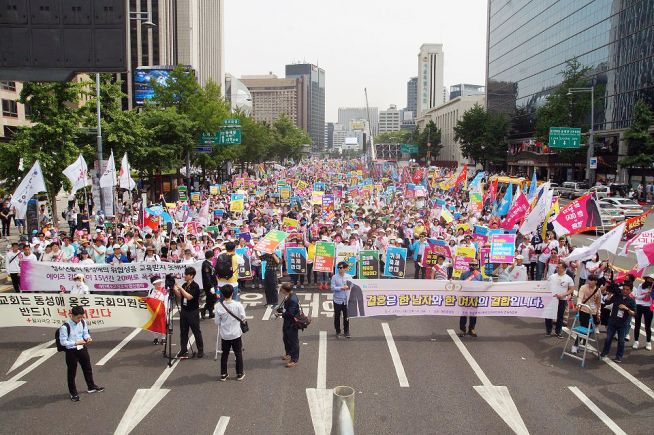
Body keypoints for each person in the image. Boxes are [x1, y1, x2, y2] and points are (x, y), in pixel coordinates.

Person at [59, 305, 104, 402]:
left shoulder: (82, 322)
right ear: (72, 315)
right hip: (71, 351)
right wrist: (75, 342)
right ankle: (73, 392)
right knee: (72, 372)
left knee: (87, 367)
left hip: (82, 347)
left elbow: (85, 333)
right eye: (78, 317)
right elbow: (63, 342)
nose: (80, 319)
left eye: (81, 317)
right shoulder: (65, 327)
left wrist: (88, 338)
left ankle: (91, 386)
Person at [214, 284, 246, 381]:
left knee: (225, 354)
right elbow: (243, 318)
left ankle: (223, 374)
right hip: (236, 333)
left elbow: (217, 322)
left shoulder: (218, 306)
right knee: (238, 353)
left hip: (225, 335)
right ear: (232, 293)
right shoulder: (238, 305)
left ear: (222, 294)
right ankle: (239, 373)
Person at [600, 282, 637, 363]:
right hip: (612, 321)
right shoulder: (617, 296)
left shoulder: (631, 301)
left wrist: (626, 309)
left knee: (621, 341)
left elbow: (634, 313)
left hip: (623, 324)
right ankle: (604, 353)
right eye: (624, 289)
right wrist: (609, 295)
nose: (625, 291)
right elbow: (607, 302)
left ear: (630, 291)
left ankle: (619, 356)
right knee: (608, 338)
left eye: (627, 290)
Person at [173, 267, 204, 359]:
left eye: (186, 274)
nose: (184, 276)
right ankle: (183, 349)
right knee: (183, 331)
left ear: (191, 276)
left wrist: (180, 289)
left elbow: (189, 297)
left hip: (192, 312)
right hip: (184, 311)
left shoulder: (195, 286)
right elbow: (181, 296)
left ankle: (200, 350)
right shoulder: (184, 285)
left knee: (196, 331)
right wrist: (175, 290)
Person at [571, 275, 602, 354]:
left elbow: (598, 303)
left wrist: (598, 313)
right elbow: (580, 297)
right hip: (584, 310)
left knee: (591, 328)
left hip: (593, 312)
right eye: (589, 280)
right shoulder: (583, 287)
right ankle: (575, 345)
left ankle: (584, 342)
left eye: (592, 280)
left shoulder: (598, 290)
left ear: (596, 282)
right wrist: (578, 304)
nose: (590, 282)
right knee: (583, 328)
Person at [545, 261, 574, 338]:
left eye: (558, 267)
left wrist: (563, 294)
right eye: (556, 267)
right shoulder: (552, 276)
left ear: (564, 268)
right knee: (548, 315)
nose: (556, 268)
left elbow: (571, 289)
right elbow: (546, 285)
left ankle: (558, 332)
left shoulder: (568, 278)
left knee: (560, 316)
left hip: (562, 300)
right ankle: (548, 330)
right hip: (551, 299)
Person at [276, 283, 300, 367]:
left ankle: (294, 359)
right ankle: (288, 353)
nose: (280, 289)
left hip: (292, 323)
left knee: (293, 341)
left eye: (281, 288)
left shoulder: (293, 299)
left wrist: (280, 314)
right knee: (285, 338)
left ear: (285, 290)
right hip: (287, 322)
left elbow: (291, 314)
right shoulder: (289, 295)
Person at [459, 261, 483, 337]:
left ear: (477, 266)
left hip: (475, 297)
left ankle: (471, 329)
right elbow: (460, 285)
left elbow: (482, 285)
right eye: (471, 264)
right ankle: (463, 330)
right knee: (464, 314)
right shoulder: (464, 274)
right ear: (469, 265)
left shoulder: (479, 275)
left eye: (474, 265)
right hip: (465, 297)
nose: (472, 266)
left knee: (473, 315)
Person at [632, 273, 653, 351]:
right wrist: (645, 295)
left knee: (648, 326)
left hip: (648, 308)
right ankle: (636, 341)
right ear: (646, 279)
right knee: (637, 324)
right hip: (639, 306)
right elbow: (637, 296)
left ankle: (648, 342)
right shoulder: (641, 285)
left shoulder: (653, 288)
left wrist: (651, 294)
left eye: (652, 280)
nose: (650, 281)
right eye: (648, 279)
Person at [331, 261, 352, 338]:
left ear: (345, 268)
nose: (340, 269)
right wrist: (342, 288)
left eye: (341, 267)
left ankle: (346, 331)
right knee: (337, 316)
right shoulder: (334, 277)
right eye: (339, 268)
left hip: (346, 300)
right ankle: (338, 331)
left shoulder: (349, 277)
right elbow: (332, 288)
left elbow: (352, 287)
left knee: (346, 316)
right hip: (337, 300)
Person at [201, 250, 217, 319]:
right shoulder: (205, 264)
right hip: (209, 285)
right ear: (210, 256)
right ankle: (204, 310)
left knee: (212, 298)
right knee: (211, 298)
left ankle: (211, 312)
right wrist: (211, 286)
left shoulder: (209, 263)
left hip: (212, 283)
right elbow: (207, 276)